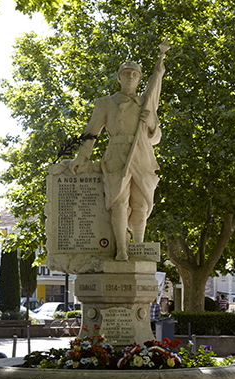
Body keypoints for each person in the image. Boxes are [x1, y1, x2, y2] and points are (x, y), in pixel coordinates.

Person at [70, 42, 168, 261]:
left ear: (141, 79)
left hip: (142, 155)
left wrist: (152, 123)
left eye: (134, 74)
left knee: (141, 203)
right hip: (116, 154)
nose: (130, 77)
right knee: (119, 202)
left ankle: (138, 246)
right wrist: (82, 156)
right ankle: (122, 249)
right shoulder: (106, 103)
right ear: (119, 78)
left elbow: (156, 138)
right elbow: (91, 132)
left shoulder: (146, 104)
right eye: (126, 73)